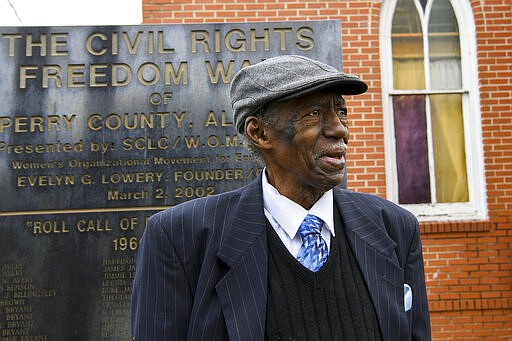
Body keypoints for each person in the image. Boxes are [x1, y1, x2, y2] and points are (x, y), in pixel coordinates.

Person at [131, 55, 431, 341]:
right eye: (314, 113)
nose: (340, 128)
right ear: (259, 133)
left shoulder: (394, 228)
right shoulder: (179, 237)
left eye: (341, 111)